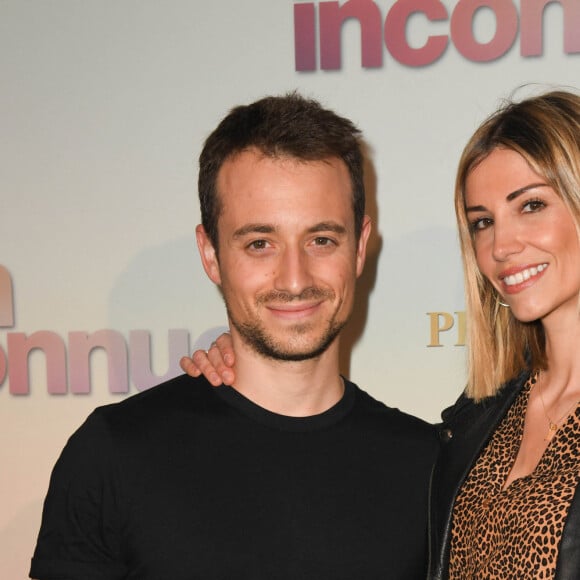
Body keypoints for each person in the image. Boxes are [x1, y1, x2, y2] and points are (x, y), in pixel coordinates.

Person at [30, 93, 438, 580]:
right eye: (260, 244)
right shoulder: (113, 454)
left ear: (360, 247)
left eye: (321, 239)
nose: (293, 278)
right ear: (210, 254)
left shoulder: (430, 467)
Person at [181, 90, 580, 579]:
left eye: (532, 205)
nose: (501, 244)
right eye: (482, 222)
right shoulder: (479, 421)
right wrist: (251, 365)